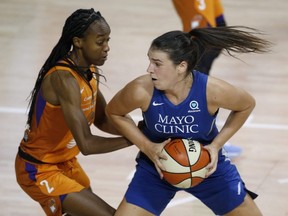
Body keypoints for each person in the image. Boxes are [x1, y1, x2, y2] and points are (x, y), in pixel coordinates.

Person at [106, 26, 271, 216]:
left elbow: (246, 105)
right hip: (156, 166)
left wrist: (216, 146)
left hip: (207, 166)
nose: (149, 69)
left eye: (157, 63)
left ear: (181, 66)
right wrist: (147, 146)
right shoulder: (141, 90)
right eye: (149, 61)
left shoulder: (211, 90)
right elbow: (114, 112)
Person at [15, 8, 133, 216]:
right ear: (78, 42)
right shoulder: (64, 80)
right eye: (100, 42)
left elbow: (102, 119)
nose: (107, 48)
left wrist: (138, 129)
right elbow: (86, 144)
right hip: (38, 168)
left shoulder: (89, 71)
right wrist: (135, 139)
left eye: (108, 41)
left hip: (65, 162)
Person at [172, 0, 242, 158]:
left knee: (196, 87)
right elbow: (199, 17)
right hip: (201, 37)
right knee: (195, 89)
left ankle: (203, 138)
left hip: (206, 32)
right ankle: (199, 141)